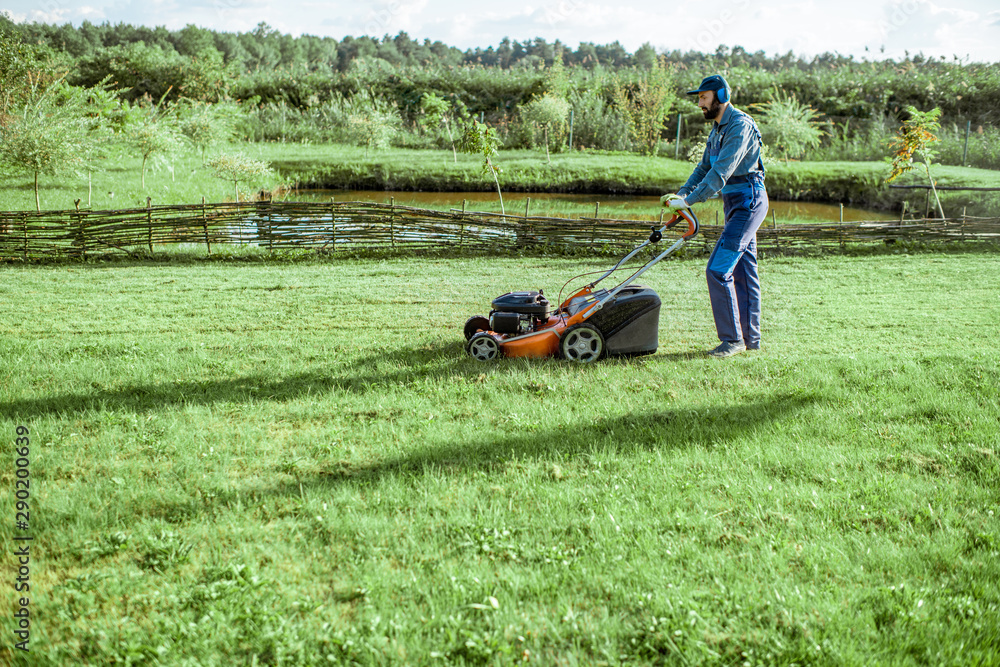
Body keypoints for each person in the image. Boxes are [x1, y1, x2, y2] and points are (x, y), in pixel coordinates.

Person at [662, 74, 768, 359]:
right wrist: (681, 194)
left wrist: (690, 200)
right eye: (699, 98)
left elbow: (720, 172)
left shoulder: (739, 126)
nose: (699, 103)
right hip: (735, 201)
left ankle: (732, 340)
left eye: (704, 97)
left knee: (718, 270)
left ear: (721, 96)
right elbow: (703, 168)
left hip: (749, 201)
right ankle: (750, 341)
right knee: (745, 271)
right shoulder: (718, 129)